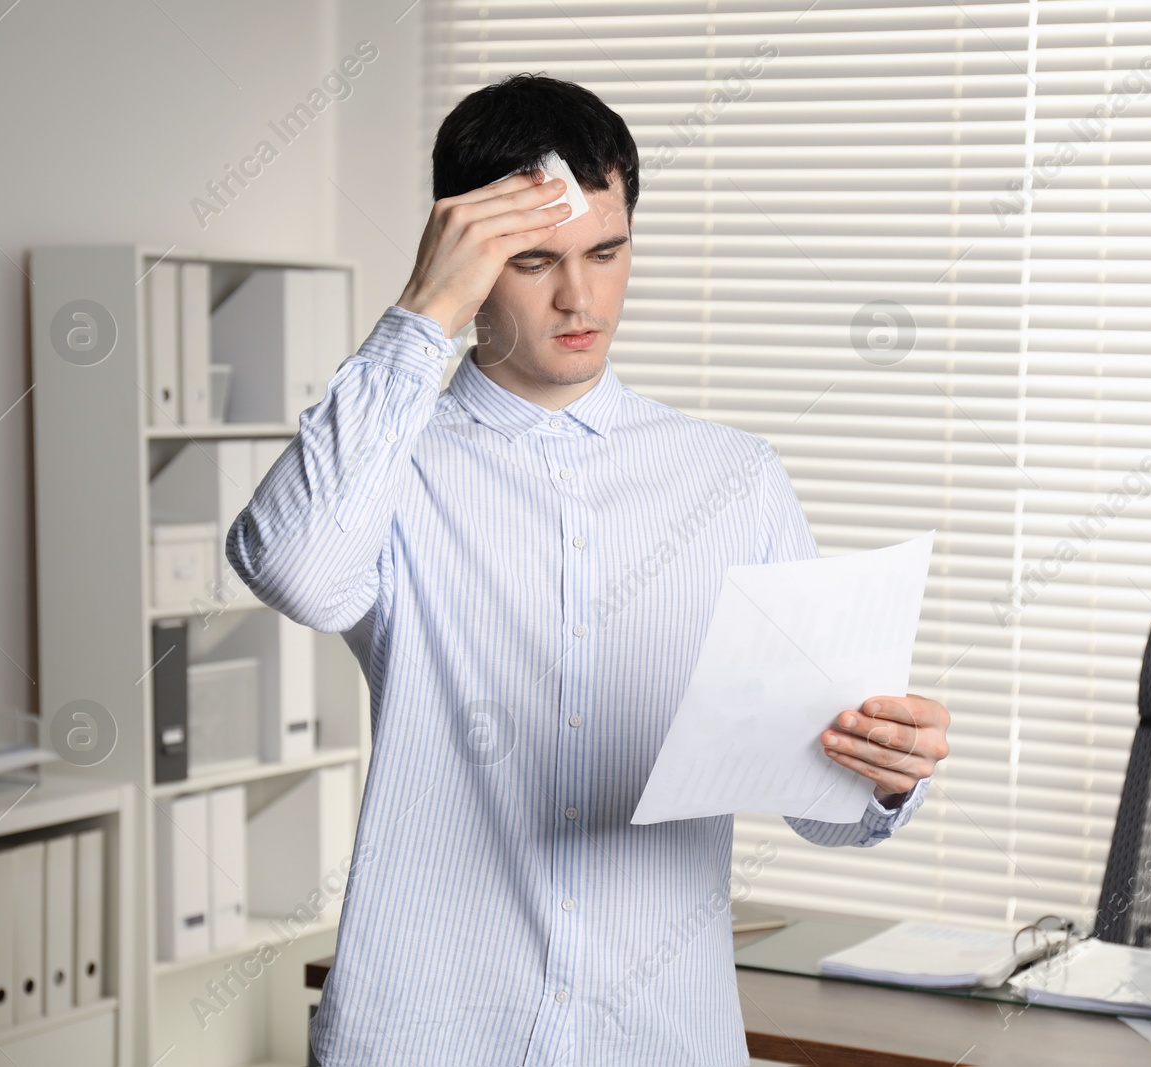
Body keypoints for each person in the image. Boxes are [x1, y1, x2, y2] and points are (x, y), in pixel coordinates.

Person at [227, 72, 951, 1067]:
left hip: (662, 1037)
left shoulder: (731, 476)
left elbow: (814, 792)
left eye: (606, 252)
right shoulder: (386, 463)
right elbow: (295, 571)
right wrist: (424, 310)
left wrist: (879, 768)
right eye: (533, 260)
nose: (580, 297)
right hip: (431, 1035)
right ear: (466, 259)